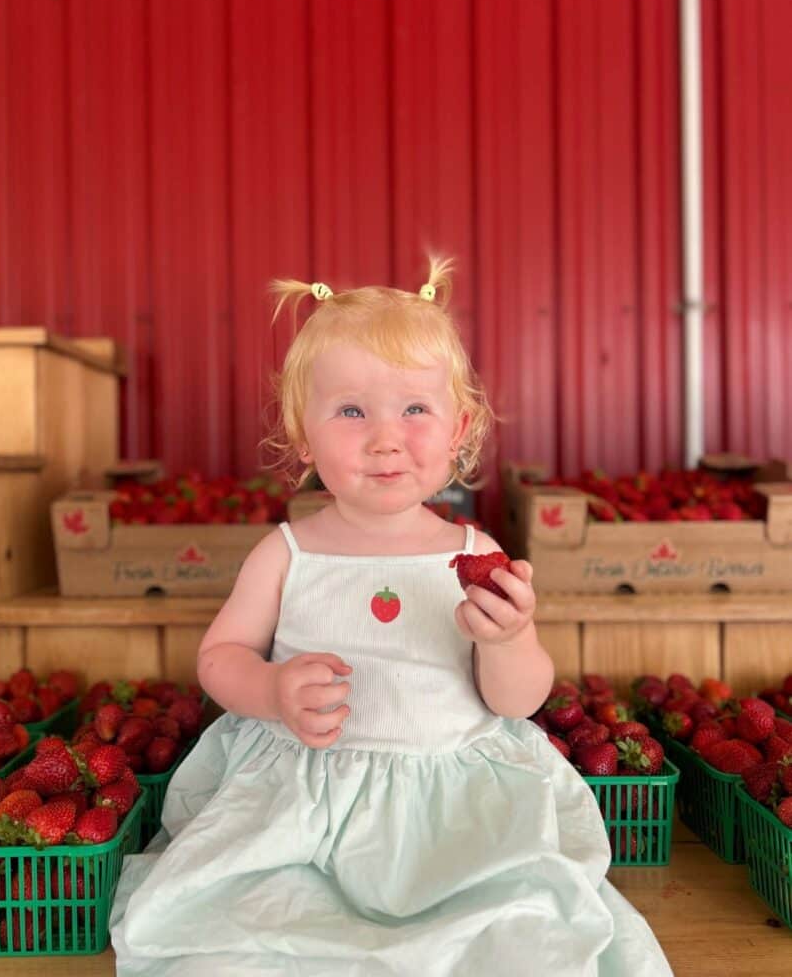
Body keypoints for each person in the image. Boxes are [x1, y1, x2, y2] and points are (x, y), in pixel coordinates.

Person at [111, 259, 672, 976]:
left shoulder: (477, 551)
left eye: (414, 409)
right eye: (350, 411)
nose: (384, 438)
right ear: (303, 436)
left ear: (458, 429)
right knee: (258, 929)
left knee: (506, 932)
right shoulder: (287, 552)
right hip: (306, 804)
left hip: (454, 804)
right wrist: (273, 691)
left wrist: (509, 637)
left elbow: (515, 700)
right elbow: (221, 656)